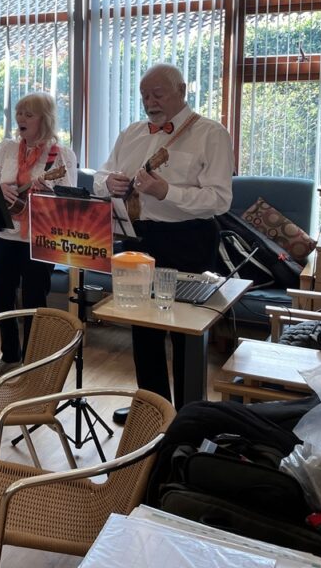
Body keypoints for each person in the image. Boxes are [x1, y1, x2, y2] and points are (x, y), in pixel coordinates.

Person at [93, 63, 232, 411]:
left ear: (182, 90)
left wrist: (167, 191)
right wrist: (108, 183)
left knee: (186, 330)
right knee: (142, 329)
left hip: (188, 239)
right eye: (144, 96)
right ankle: (153, 408)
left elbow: (219, 199)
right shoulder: (131, 133)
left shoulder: (211, 133)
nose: (149, 102)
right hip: (137, 238)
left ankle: (187, 414)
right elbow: (100, 176)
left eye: (158, 94)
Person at [0, 92, 77, 378]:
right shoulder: (8, 148)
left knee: (35, 299)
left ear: (44, 120)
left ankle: (34, 362)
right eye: (19, 113)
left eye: (28, 114)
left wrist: (48, 191)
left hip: (40, 238)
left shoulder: (61, 155)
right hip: (7, 234)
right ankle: (10, 356)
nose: (20, 119)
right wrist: (1, 187)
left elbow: (69, 198)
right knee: (1, 294)